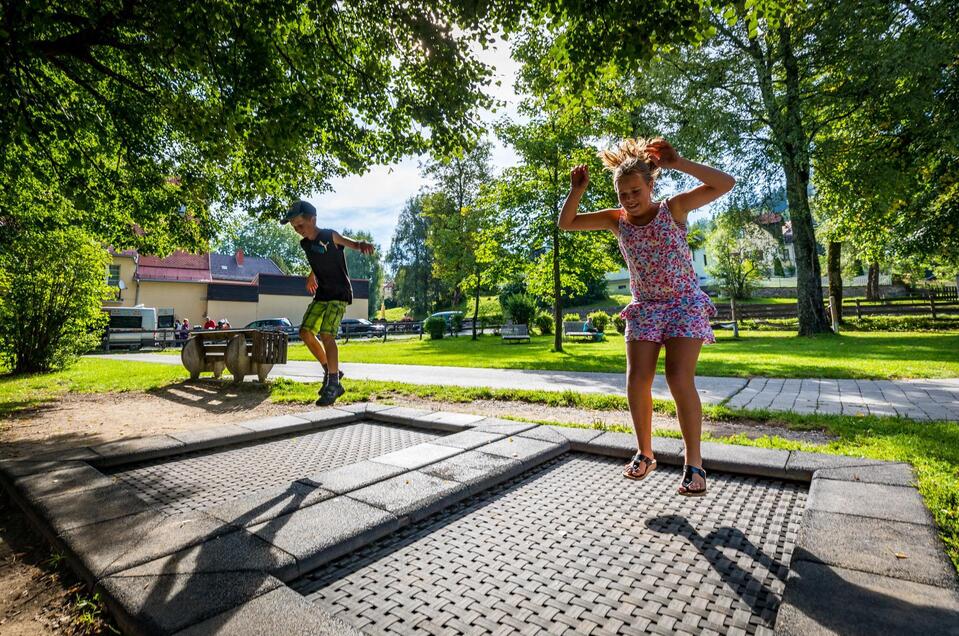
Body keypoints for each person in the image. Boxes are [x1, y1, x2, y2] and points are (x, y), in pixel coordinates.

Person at [558, 138, 735, 497]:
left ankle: (694, 464)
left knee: (677, 378)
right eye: (623, 194)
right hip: (646, 307)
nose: (629, 199)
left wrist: (680, 161)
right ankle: (645, 453)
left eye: (636, 191)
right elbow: (568, 222)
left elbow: (724, 183)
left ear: (651, 185)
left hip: (684, 304)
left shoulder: (675, 209)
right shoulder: (616, 220)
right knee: (637, 379)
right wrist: (577, 190)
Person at [281, 199, 374, 406]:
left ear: (313, 220)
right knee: (305, 332)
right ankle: (331, 371)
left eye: (301, 225)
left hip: (340, 293)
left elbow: (351, 243)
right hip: (322, 293)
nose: (298, 230)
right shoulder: (305, 244)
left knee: (326, 334)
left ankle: (333, 384)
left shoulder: (329, 236)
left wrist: (362, 245)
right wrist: (311, 274)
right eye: (294, 227)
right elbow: (318, 259)